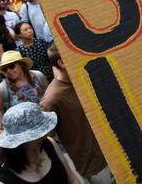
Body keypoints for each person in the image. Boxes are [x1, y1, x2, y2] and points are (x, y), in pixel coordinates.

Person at [41, 44, 115, 184]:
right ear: (61, 62)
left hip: (115, 153)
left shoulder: (85, 79)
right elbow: (46, 139)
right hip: (96, 167)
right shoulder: (52, 99)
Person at [0, 102, 80, 184]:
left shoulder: (49, 143)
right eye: (34, 135)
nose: (42, 135)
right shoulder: (1, 181)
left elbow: (72, 179)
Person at [0, 51, 48, 135]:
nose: (8, 71)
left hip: (46, 125)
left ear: (21, 64)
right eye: (5, 69)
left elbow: (49, 95)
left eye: (11, 66)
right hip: (23, 134)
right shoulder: (3, 88)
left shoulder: (38, 76)